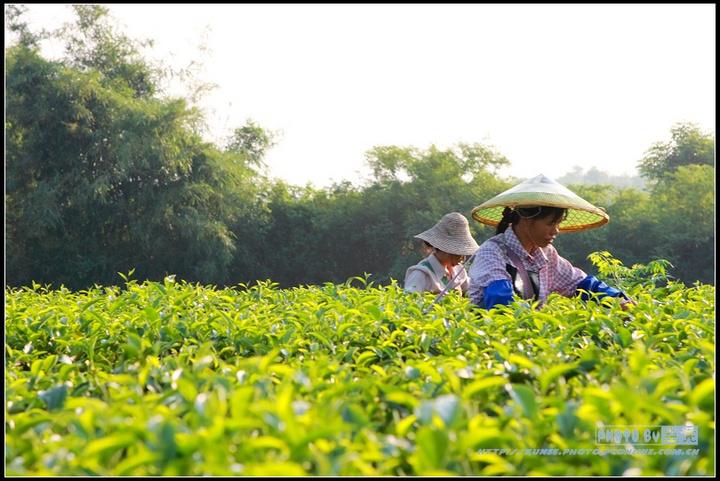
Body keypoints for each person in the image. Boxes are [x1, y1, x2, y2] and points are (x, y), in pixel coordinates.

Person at [468, 174, 635, 310]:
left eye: (558, 224)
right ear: (527, 220)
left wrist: (617, 299)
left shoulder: (547, 255)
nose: (556, 231)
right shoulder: (492, 252)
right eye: (550, 223)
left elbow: (580, 283)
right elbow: (500, 300)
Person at [404, 212, 479, 295]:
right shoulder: (420, 274)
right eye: (459, 253)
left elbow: (472, 289)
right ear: (445, 249)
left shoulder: (458, 271)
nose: (463, 258)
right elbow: (408, 302)